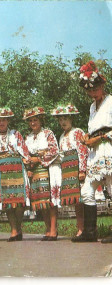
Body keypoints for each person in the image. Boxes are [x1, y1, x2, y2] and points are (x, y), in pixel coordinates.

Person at [75, 61, 112, 243]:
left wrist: (100, 138)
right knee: (87, 191)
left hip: (108, 148)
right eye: (89, 90)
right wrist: (88, 137)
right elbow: (94, 128)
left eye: (95, 88)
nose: (92, 92)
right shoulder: (91, 107)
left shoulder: (111, 101)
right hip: (94, 153)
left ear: (102, 86)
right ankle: (90, 232)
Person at [0, 107, 31, 241]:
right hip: (2, 171)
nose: (2, 123)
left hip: (17, 169)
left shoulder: (16, 134)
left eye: (4, 120)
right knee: (7, 203)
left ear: (8, 121)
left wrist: (29, 165)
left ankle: (18, 228)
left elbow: (24, 151)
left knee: (19, 202)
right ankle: (14, 230)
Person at [50, 104, 88, 241]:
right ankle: (80, 228)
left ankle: (85, 229)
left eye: (65, 119)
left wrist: (82, 170)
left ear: (71, 119)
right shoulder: (61, 136)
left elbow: (83, 151)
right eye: (60, 120)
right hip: (67, 170)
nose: (63, 122)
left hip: (77, 168)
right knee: (76, 202)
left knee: (83, 200)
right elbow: (61, 155)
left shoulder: (77, 132)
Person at [23, 107, 62, 241]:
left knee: (50, 201)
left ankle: (53, 229)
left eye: (35, 120)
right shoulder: (28, 137)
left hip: (47, 168)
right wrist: (28, 163)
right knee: (41, 201)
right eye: (31, 121)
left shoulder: (47, 133)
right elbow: (25, 154)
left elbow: (54, 150)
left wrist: (39, 158)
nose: (33, 123)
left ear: (41, 120)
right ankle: (47, 229)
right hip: (35, 171)